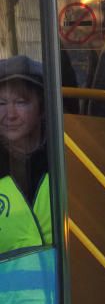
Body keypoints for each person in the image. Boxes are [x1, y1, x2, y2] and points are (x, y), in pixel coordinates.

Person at [0, 56, 50, 254]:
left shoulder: (68, 158)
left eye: (21, 102)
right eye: (1, 103)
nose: (10, 114)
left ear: (43, 109)